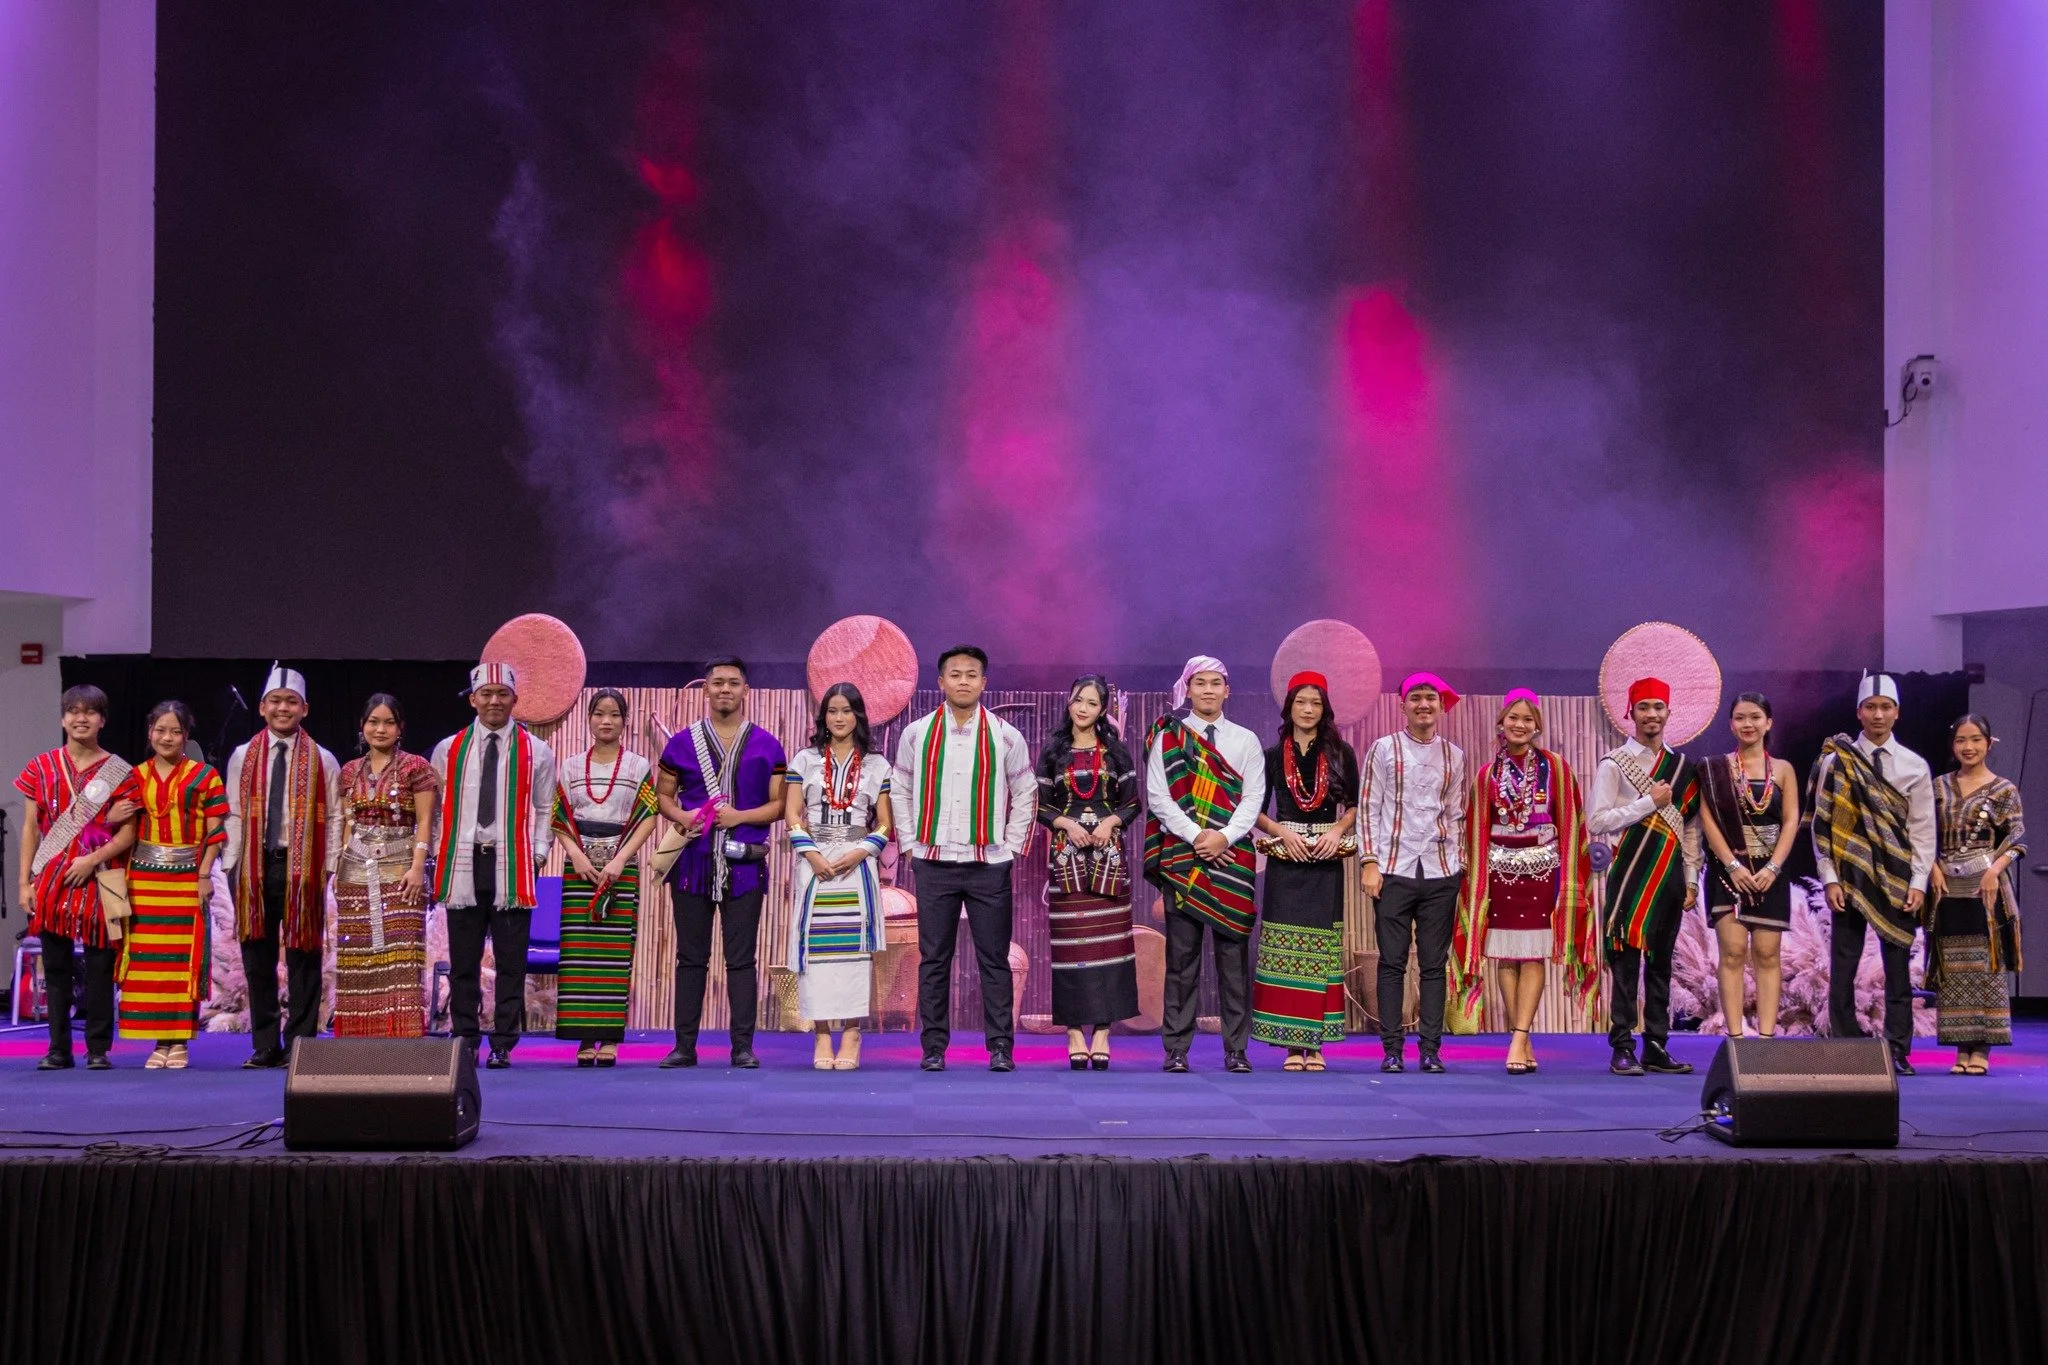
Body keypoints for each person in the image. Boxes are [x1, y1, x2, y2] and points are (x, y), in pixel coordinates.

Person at [893, 645, 1036, 1072]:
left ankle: (1000, 1048)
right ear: (940, 682)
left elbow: (1026, 792)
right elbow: (899, 789)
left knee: (994, 959)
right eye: (954, 674)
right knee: (934, 958)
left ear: (983, 683)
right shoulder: (916, 734)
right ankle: (933, 1048)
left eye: (971, 675)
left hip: (988, 864)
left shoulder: (1005, 734)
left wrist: (1009, 849)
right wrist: (907, 843)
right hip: (933, 862)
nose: (963, 681)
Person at [1449, 690, 1594, 1074]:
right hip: (1498, 875)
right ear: (1502, 722)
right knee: (1505, 957)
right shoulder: (1486, 774)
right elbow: (1477, 829)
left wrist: (1570, 883)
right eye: (1513, 717)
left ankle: (1517, 1037)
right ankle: (1523, 1037)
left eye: (1527, 719)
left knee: (1532, 955)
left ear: (1537, 726)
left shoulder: (1557, 768)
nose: (1519, 725)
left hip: (1542, 874)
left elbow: (1571, 823)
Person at [656, 656, 787, 1070]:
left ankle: (743, 1048)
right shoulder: (680, 742)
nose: (725, 690)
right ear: (706, 690)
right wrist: (682, 816)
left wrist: (740, 818)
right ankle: (684, 1047)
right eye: (717, 683)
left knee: (741, 958)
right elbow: (663, 797)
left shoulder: (768, 745)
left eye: (733, 683)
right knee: (690, 958)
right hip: (692, 864)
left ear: (746, 690)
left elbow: (780, 805)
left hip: (745, 867)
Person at [430, 662, 558, 1069]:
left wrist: (538, 854)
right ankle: (465, 1036)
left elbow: (545, 809)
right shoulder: (447, 749)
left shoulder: (536, 751)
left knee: (510, 959)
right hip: (463, 863)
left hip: (512, 863)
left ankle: (503, 1040)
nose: (494, 701)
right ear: (472, 699)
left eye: (502, 693)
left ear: (515, 700)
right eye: (486, 693)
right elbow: (434, 811)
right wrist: (439, 850)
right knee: (464, 960)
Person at [1145, 655, 1266, 1074]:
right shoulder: (1169, 736)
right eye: (1201, 683)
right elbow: (1158, 797)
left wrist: (1223, 837)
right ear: (1188, 688)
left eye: (1217, 683)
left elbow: (1253, 799)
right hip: (1184, 858)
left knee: (1234, 961)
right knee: (1181, 960)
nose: (1209, 690)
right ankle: (1176, 1049)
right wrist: (1198, 837)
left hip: (1232, 859)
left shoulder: (1246, 741)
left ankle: (1237, 1050)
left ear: (1227, 691)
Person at [1811, 673, 1934, 1075]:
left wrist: (1918, 882)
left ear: (1897, 713)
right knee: (1843, 967)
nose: (1878, 715)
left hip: (1897, 879)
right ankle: (1845, 1048)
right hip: (1848, 878)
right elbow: (1822, 826)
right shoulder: (1837, 760)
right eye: (1870, 707)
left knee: (1897, 969)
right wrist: (1829, 877)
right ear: (1859, 712)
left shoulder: (1914, 766)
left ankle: (1898, 1050)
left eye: (1885, 707)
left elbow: (1922, 831)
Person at [15, 685, 140, 1070]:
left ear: (102, 720)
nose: (80, 718)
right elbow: (31, 829)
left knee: (103, 964)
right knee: (55, 967)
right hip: (52, 878)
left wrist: (92, 860)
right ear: (62, 718)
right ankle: (58, 1049)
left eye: (89, 711)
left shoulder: (120, 771)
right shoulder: (40, 767)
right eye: (72, 710)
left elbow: (129, 832)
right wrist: (24, 882)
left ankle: (99, 1049)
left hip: (102, 876)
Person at [223, 664, 342, 1068]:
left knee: (303, 956)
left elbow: (338, 816)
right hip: (255, 868)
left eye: (291, 702)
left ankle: (300, 1044)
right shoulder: (243, 756)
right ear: (261, 707)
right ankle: (265, 1043)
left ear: (304, 709)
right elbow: (235, 813)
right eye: (275, 702)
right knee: (257, 957)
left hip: (302, 868)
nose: (283, 709)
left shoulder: (323, 759)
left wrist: (327, 867)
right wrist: (233, 863)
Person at [1590, 676, 1702, 1077]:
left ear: (1669, 713)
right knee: (1625, 961)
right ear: (1630, 714)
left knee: (1661, 963)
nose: (1651, 714)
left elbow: (1690, 828)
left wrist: (1691, 877)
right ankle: (1622, 1046)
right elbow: (1597, 820)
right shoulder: (1614, 763)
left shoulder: (1683, 767)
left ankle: (1656, 1044)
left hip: (1671, 872)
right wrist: (1646, 803)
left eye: (1658, 707)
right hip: (1631, 872)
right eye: (1643, 707)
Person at [1357, 672, 1468, 1074]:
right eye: (1416, 697)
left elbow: (1457, 814)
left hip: (1441, 870)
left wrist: (1461, 867)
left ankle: (1431, 1050)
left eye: (1431, 698)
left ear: (1441, 706)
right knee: (1392, 961)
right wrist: (1369, 862)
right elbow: (1368, 808)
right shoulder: (1383, 750)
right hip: (1393, 868)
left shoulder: (1455, 756)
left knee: (1436, 964)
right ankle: (1391, 1049)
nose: (1424, 704)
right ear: (1402, 705)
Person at [1250, 672, 1358, 1072]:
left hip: (1326, 860)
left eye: (1315, 703)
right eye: (1301, 702)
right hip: (1285, 859)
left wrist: (1337, 831)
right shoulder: (1272, 755)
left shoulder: (1342, 752)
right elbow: (1254, 811)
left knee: (1319, 950)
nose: (1308, 709)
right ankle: (1291, 1046)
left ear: (1324, 709)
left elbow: (1352, 805)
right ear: (1289, 707)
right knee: (1285, 950)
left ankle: (1316, 1045)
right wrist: (1282, 832)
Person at [785, 683, 893, 1071]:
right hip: (814, 864)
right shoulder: (805, 760)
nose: (839, 718)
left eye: (847, 710)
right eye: (832, 711)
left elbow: (884, 823)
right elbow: (793, 814)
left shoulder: (878, 764)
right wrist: (811, 855)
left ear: (859, 715)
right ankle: (820, 1033)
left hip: (856, 865)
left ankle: (851, 1032)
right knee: (816, 953)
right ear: (823, 716)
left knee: (852, 954)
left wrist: (860, 852)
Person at [1035, 675, 1141, 1070]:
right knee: (1072, 949)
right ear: (1069, 701)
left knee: (1109, 948)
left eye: (1092, 703)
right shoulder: (1053, 751)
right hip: (1066, 858)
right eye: (1078, 700)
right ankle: (1075, 1031)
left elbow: (1134, 804)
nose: (1083, 708)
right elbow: (1041, 806)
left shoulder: (1117, 752)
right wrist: (1067, 824)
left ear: (1103, 710)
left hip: (1109, 858)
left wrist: (1111, 821)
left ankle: (1102, 1032)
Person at [550, 690, 658, 1066]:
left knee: (613, 957)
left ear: (625, 721)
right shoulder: (570, 766)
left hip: (619, 868)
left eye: (614, 714)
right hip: (579, 869)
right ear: (589, 719)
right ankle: (583, 1038)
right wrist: (576, 856)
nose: (606, 720)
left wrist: (619, 860)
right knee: (579, 956)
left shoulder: (637, 765)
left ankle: (610, 1038)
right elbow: (559, 817)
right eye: (599, 714)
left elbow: (647, 816)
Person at [119, 701, 229, 1068]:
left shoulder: (205, 776)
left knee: (181, 961)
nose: (167, 737)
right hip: (143, 880)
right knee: (149, 963)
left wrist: (203, 875)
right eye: (160, 730)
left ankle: (179, 1040)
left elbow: (216, 832)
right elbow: (120, 829)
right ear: (149, 733)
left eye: (175, 731)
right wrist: (112, 814)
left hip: (186, 879)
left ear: (186, 735)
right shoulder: (134, 776)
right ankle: (158, 1044)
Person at [332, 694, 439, 1038]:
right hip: (355, 873)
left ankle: (401, 1037)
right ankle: (358, 1037)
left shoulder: (416, 767)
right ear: (362, 727)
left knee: (401, 958)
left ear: (400, 728)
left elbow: (425, 822)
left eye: (388, 722)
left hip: (401, 870)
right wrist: (339, 869)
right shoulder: (350, 770)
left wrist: (417, 867)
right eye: (373, 722)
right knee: (357, 957)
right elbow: (349, 822)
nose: (380, 729)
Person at [1926, 714, 2024, 1075]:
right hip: (1946, 887)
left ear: (1988, 742)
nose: (1968, 747)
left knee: (1984, 966)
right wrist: (1932, 866)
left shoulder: (2003, 789)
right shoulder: (1938, 786)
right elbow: (1923, 833)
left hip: (1986, 887)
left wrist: (1995, 871)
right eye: (1961, 741)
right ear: (1953, 746)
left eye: (1976, 740)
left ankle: (1981, 1048)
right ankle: (1959, 1049)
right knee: (1954, 967)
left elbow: (2016, 839)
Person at [1698, 693, 1800, 1039]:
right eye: (1740, 718)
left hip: (1770, 874)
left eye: (1755, 717)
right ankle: (1737, 1037)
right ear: (1730, 724)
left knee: (1768, 954)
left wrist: (1773, 868)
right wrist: (1731, 865)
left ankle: (1768, 1039)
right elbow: (1708, 820)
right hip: (1730, 874)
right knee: (1733, 953)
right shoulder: (1715, 769)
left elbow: (1791, 821)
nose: (1748, 724)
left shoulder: (1784, 769)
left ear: (1768, 722)